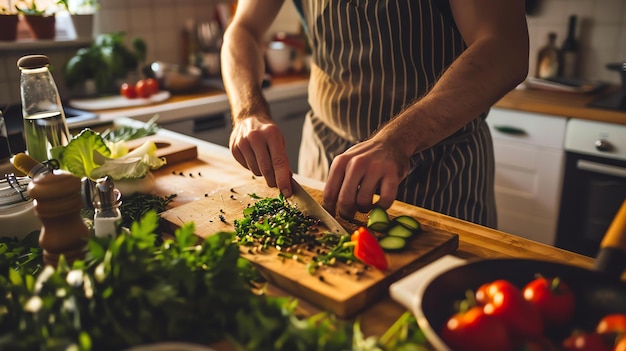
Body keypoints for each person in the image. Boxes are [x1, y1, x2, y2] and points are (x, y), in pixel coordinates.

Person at [221, 0, 529, 228]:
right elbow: (242, 30)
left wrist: (399, 140)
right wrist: (249, 111)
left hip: (440, 174)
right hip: (322, 160)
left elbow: (505, 48)